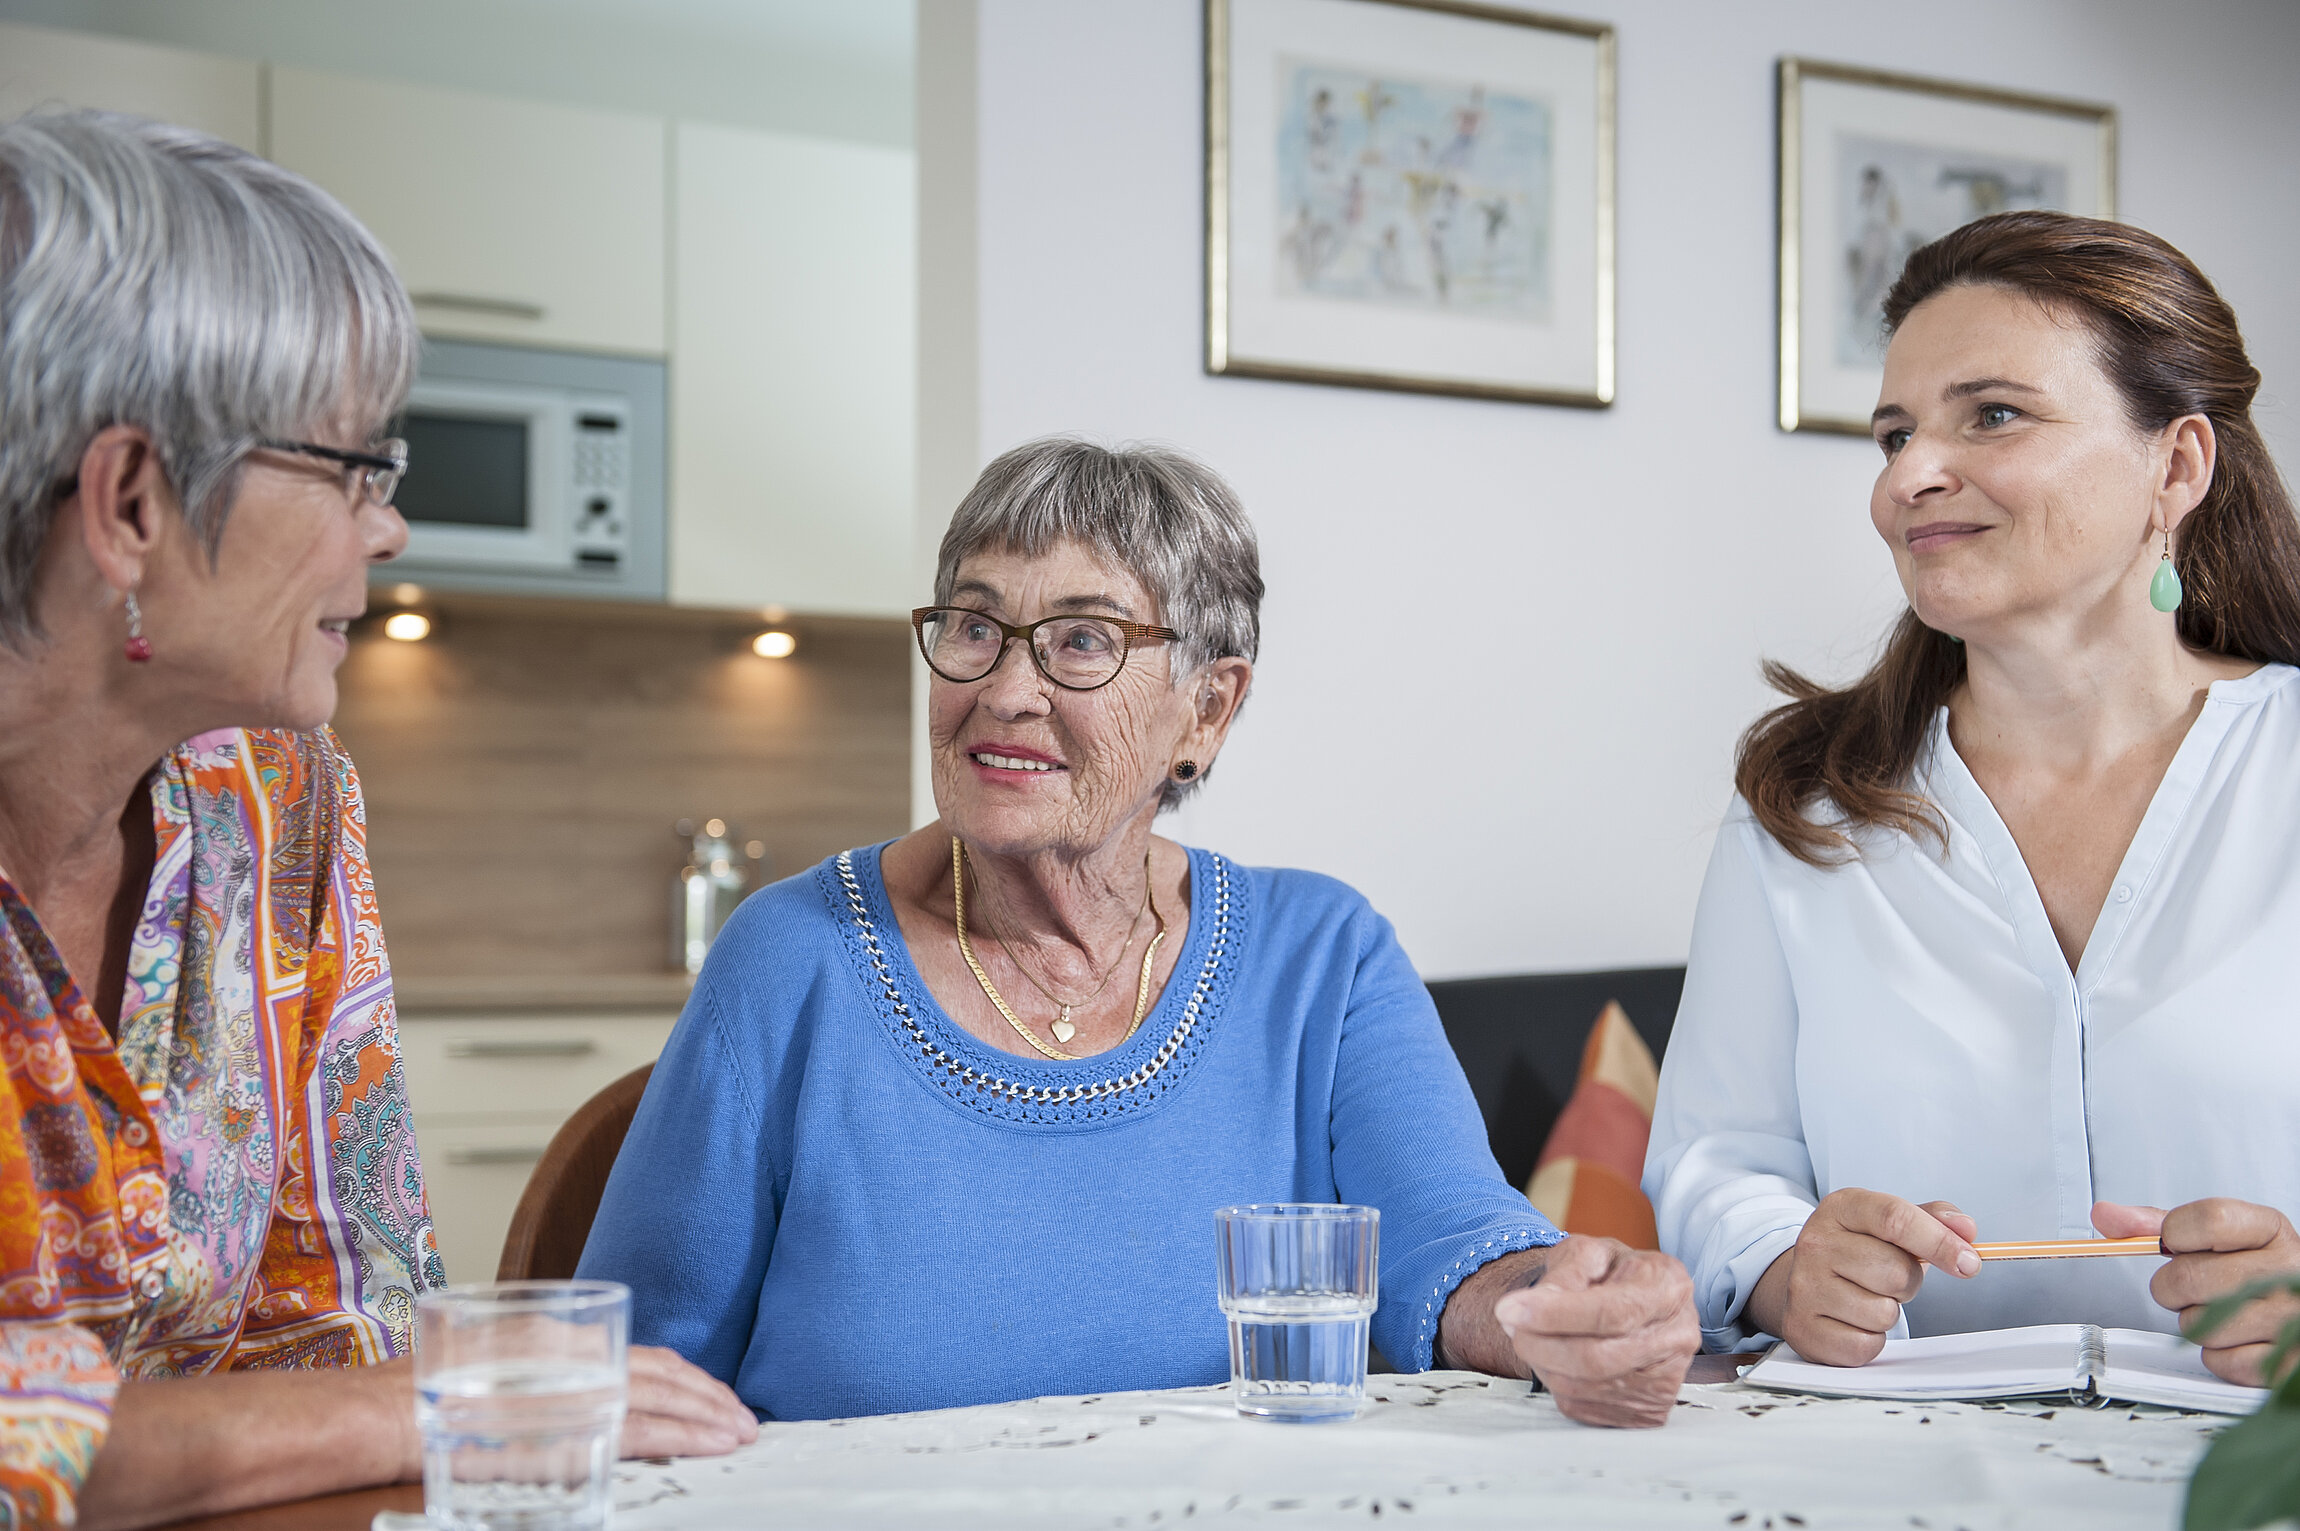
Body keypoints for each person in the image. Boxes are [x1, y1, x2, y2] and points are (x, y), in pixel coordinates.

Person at [579, 437, 1699, 1427]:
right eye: (974, 627)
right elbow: (622, 1376)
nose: (1005, 690)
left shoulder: (1321, 958)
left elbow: (1453, 1249)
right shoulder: (788, 961)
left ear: (1205, 710)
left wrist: (1563, 1314)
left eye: (1079, 642)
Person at [0, 110, 754, 1529]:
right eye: (351, 468)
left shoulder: (277, 797)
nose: (390, 527)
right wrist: (428, 1396)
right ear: (131, 502)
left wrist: (379, 1398)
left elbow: (341, 1326)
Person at [1645, 211, 2300, 1386]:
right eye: (1893, 432)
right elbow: (1715, 1158)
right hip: (1897, 1475)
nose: (1908, 477)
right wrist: (1789, 1264)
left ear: (2177, 464)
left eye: (1990, 414)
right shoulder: (1806, 800)